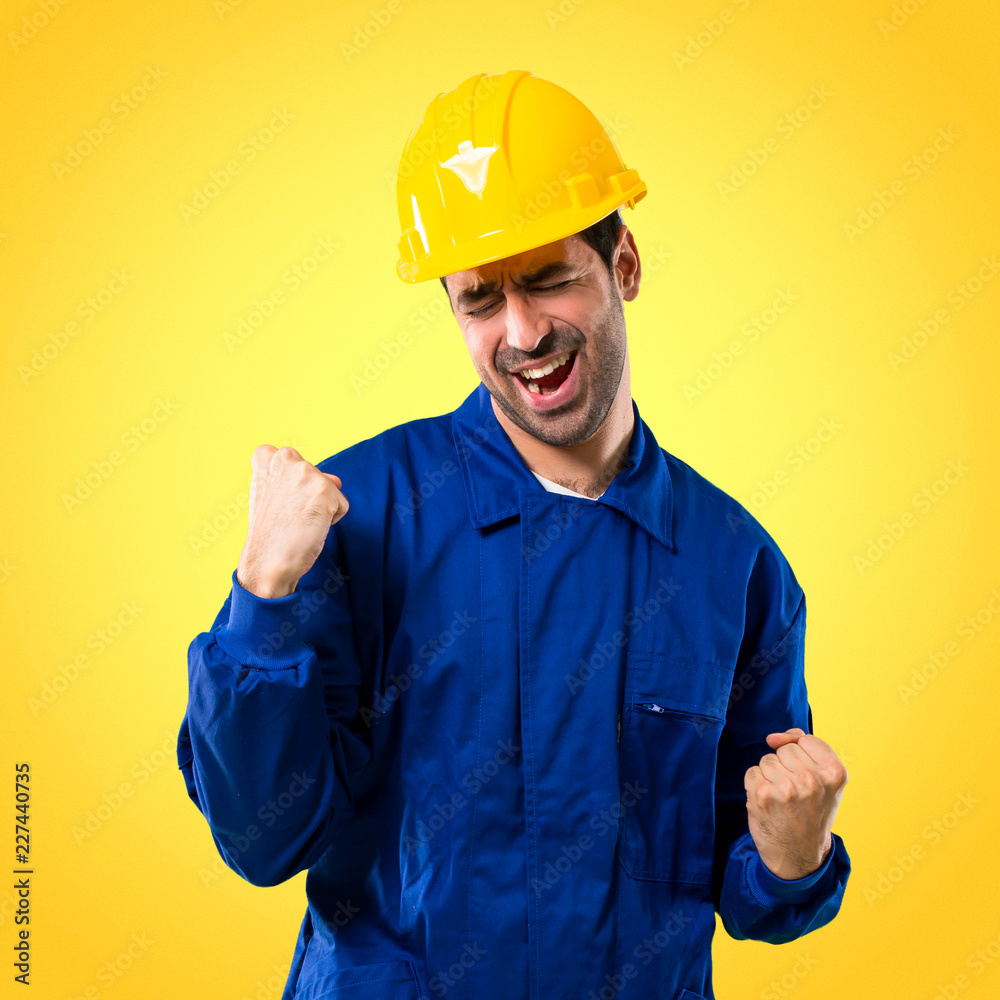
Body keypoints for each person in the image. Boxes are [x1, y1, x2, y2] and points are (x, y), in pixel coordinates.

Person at [176, 70, 851, 1000]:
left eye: (548, 281)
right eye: (479, 301)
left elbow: (754, 883)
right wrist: (261, 595)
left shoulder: (732, 563)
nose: (523, 332)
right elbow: (260, 840)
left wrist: (794, 855)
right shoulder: (363, 514)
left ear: (624, 266)